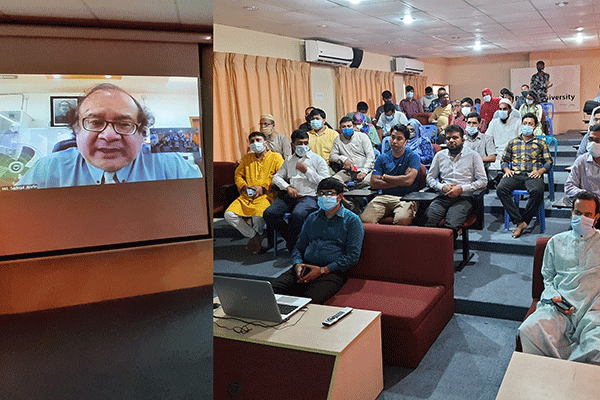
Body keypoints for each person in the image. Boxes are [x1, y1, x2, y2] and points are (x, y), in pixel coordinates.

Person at [17, 83, 200, 188]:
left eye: (124, 124)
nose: (109, 135)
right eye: (95, 122)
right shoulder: (47, 171)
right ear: (76, 130)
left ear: (141, 134)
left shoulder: (172, 166)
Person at [518, 191, 600, 364]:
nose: (582, 218)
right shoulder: (556, 241)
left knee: (596, 347)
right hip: (561, 305)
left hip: (594, 308)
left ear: (596, 218)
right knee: (529, 330)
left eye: (588, 215)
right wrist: (554, 297)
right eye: (578, 213)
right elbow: (547, 277)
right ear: (571, 213)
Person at [271, 177, 364, 304]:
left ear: (340, 196)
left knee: (308, 303)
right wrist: (297, 263)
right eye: (321, 194)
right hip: (305, 266)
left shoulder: (352, 221)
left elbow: (352, 256)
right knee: (270, 292)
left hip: (331, 272)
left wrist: (322, 270)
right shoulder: (312, 218)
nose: (325, 197)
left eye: (330, 193)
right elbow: (299, 246)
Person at [264, 130, 329, 252]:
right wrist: (287, 187)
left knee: (297, 214)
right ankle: (291, 240)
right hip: (291, 195)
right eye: (300, 143)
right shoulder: (289, 160)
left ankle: (292, 242)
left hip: (310, 196)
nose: (303, 146)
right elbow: (276, 177)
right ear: (293, 145)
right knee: (269, 213)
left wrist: (307, 172)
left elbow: (325, 182)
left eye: (306, 143)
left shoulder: (317, 159)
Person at [224, 131, 284, 253]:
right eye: (252, 141)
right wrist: (244, 186)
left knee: (257, 216)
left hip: (267, 195)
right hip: (247, 196)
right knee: (229, 215)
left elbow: (281, 177)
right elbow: (238, 175)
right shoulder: (247, 158)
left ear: (265, 143)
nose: (255, 143)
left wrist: (263, 188)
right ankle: (254, 236)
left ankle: (257, 235)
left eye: (258, 140)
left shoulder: (276, 157)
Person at [497, 112, 553, 238]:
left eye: (530, 124)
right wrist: (506, 170)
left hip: (532, 174)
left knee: (538, 191)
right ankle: (519, 221)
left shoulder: (541, 143)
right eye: (525, 123)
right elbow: (504, 160)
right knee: (501, 189)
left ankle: (525, 221)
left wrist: (540, 171)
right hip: (515, 174)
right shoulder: (512, 142)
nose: (527, 126)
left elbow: (549, 162)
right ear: (521, 124)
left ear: (535, 126)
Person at [424, 125, 487, 237]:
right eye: (448, 138)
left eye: (455, 138)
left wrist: (462, 189)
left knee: (451, 224)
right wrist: (441, 187)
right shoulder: (440, 156)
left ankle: (446, 252)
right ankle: (430, 253)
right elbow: (430, 178)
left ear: (462, 140)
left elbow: (483, 181)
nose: (451, 141)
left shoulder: (473, 156)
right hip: (443, 195)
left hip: (464, 197)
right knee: (428, 220)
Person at [360, 124, 421, 226]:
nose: (394, 141)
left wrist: (386, 177)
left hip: (406, 197)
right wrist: (401, 181)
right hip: (384, 196)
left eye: (399, 139)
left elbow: (408, 181)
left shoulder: (413, 157)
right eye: (393, 137)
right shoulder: (382, 158)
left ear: (406, 142)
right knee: (365, 219)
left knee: (402, 219)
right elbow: (374, 183)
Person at [330, 116, 375, 189]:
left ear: (353, 126)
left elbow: (370, 156)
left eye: (349, 126)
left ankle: (355, 196)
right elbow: (332, 156)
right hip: (348, 172)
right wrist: (343, 159)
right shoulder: (338, 139)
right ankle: (347, 198)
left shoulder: (362, 137)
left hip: (365, 170)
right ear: (340, 128)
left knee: (366, 182)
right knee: (334, 181)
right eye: (343, 127)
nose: (346, 128)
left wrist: (364, 171)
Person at [486, 98, 521, 174]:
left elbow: (521, 140)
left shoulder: (517, 122)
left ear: (510, 110)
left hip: (513, 153)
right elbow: (487, 139)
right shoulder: (493, 123)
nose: (502, 111)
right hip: (497, 153)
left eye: (504, 109)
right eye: (500, 109)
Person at [565, 124, 600, 199]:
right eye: (590, 139)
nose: (593, 144)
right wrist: (588, 196)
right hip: (588, 204)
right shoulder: (582, 161)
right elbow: (569, 187)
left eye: (597, 140)